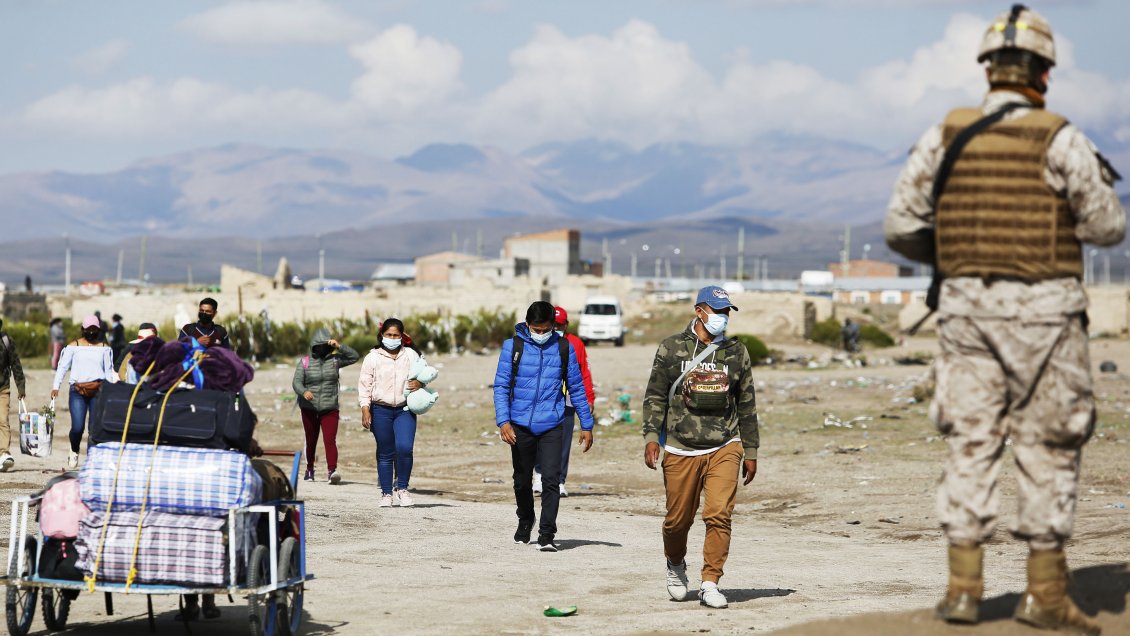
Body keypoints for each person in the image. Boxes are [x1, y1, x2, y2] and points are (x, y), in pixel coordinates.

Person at [884, 6, 1125, 633]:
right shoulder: (1061, 137)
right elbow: (1106, 226)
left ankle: (963, 591)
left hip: (965, 315)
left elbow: (901, 227)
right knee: (1047, 445)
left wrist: (958, 255)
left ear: (989, 70)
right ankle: (1045, 596)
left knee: (971, 441)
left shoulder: (946, 134)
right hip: (1047, 317)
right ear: (1042, 73)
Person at [641, 285, 759, 609]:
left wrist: (751, 450)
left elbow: (747, 404)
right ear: (699, 311)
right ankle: (675, 563)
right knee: (677, 521)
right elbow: (654, 395)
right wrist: (652, 437)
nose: (721, 318)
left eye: (725, 312)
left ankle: (710, 582)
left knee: (719, 514)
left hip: (725, 444)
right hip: (681, 446)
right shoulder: (671, 348)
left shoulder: (736, 353)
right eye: (716, 311)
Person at [493, 301, 596, 552]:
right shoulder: (512, 347)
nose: (540, 334)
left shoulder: (564, 348)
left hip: (552, 423)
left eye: (545, 329)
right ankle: (525, 519)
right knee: (521, 480)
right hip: (519, 424)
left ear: (554, 326)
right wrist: (503, 421)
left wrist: (587, 423)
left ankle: (547, 533)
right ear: (527, 325)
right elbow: (501, 386)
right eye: (536, 329)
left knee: (551, 479)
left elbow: (577, 387)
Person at [358, 319, 424, 507]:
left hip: (405, 409)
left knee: (405, 448)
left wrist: (420, 384)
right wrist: (365, 408)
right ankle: (386, 493)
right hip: (380, 410)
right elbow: (365, 385)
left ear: (402, 337)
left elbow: (424, 374)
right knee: (386, 452)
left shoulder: (411, 355)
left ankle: (402, 489)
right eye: (389, 335)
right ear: (382, 336)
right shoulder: (372, 357)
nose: (392, 338)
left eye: (396, 335)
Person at [532, 306, 595, 498]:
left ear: (566, 325)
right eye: (555, 324)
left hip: (567, 400)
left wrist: (589, 398)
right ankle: (538, 476)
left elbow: (584, 372)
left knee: (563, 442)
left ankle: (559, 481)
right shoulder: (541, 341)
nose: (557, 327)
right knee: (540, 439)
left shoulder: (575, 343)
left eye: (561, 325)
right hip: (543, 400)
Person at [51, 315, 118, 469]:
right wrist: (56, 386)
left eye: (94, 329)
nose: (92, 332)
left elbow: (108, 372)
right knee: (77, 427)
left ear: (99, 330)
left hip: (98, 391)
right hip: (77, 391)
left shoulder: (104, 348)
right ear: (83, 329)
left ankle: (91, 461)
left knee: (94, 429)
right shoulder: (72, 347)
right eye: (89, 329)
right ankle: (74, 449)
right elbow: (62, 367)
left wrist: (111, 391)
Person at [293, 328, 359, 484]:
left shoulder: (335, 360)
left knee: (330, 440)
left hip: (330, 407)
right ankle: (309, 469)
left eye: (326, 345)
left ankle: (332, 471)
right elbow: (296, 382)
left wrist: (339, 346)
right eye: (319, 346)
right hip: (309, 408)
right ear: (314, 346)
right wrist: (304, 392)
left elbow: (354, 357)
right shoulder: (304, 362)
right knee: (311, 440)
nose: (322, 349)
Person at [0, 317, 27, 472]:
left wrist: (21, 387)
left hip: (2, 388)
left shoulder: (6, 341)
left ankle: (4, 454)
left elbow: (16, 364)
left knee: (3, 420)